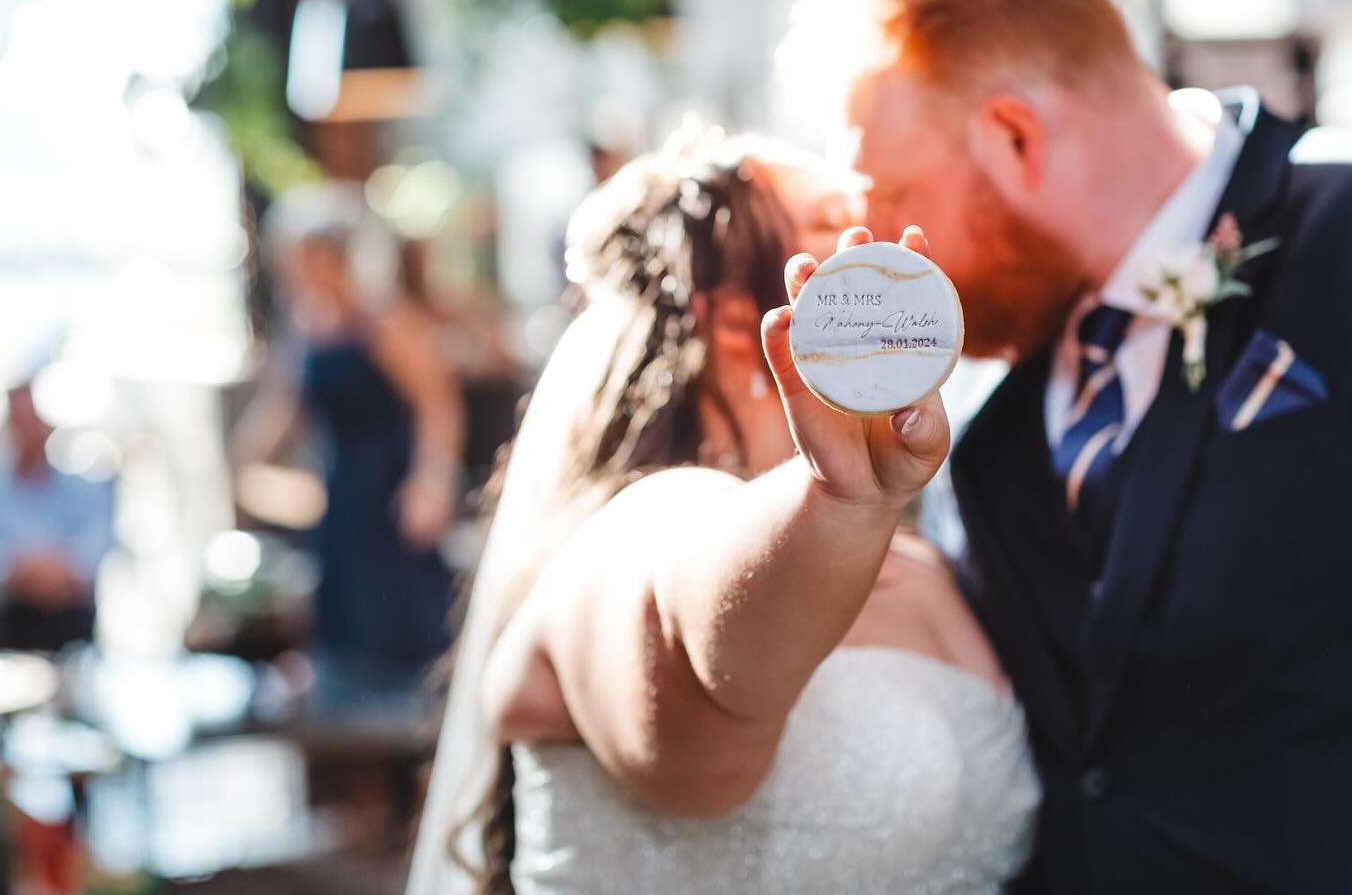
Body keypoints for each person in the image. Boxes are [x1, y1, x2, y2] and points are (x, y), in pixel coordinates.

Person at [778, 0, 1352, 891]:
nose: (877, 247)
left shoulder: (1340, 236)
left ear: (1015, 138)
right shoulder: (972, 380)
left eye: (893, 196)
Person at [407, 131, 1040, 895]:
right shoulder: (637, 529)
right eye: (839, 230)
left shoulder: (922, 557)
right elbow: (697, 655)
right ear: (741, 320)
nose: (895, 256)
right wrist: (838, 498)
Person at [232, 185, 464, 716]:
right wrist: (241, 471)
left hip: (391, 487)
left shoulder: (383, 320)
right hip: (342, 494)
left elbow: (438, 405)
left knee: (404, 625)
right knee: (347, 626)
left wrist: (431, 482)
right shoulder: (308, 328)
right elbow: (283, 410)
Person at [0, 384, 113, 652]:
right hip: (9, 626)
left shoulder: (82, 490)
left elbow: (92, 554)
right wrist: (26, 570)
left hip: (70, 626)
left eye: (33, 420)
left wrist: (45, 571)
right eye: (20, 421)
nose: (28, 431)